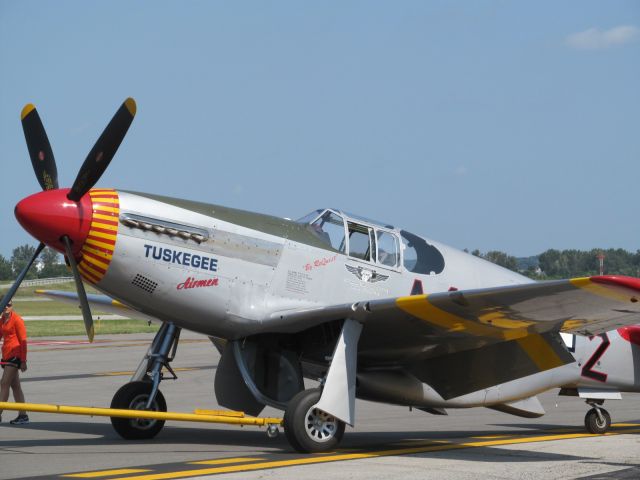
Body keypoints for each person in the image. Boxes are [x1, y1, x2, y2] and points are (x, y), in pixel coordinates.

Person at [0, 300, 29, 424]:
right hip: (6, 355)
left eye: (9, 305)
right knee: (15, 387)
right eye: (4, 304)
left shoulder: (17, 320)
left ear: (12, 306)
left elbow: (23, 341)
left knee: (4, 383)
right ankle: (23, 416)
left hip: (15, 355)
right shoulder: (1, 320)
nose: (7, 307)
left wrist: (23, 360)